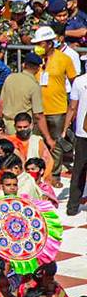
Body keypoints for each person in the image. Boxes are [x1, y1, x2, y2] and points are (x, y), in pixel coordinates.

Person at [31, 25, 76, 187]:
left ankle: (54, 175)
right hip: (37, 109)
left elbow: (74, 82)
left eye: (41, 43)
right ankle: (35, 173)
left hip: (57, 109)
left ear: (49, 43)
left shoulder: (64, 59)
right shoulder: (34, 58)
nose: (38, 46)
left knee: (56, 144)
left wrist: (73, 107)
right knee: (36, 142)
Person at [65, 67, 87, 215]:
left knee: (79, 169)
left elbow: (72, 107)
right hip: (82, 130)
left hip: (82, 132)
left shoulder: (79, 81)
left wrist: (65, 128)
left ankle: (72, 207)